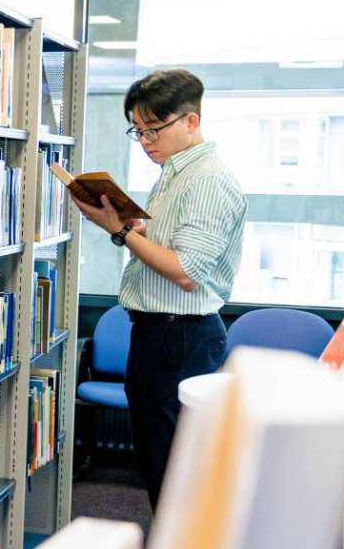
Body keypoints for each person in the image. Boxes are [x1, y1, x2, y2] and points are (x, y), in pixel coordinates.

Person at [72, 68, 245, 508]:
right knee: (157, 459)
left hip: (180, 335)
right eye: (139, 130)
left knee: (173, 468)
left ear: (190, 121)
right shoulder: (174, 172)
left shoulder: (205, 179)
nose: (146, 141)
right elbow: (168, 249)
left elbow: (186, 271)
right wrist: (131, 228)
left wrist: (120, 233)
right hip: (158, 332)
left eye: (155, 129)